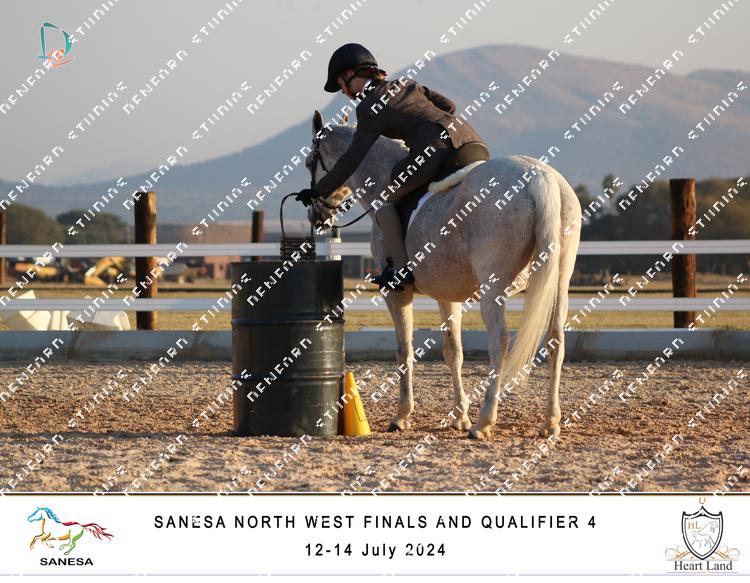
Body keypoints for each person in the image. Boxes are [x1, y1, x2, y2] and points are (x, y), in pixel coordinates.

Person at [295, 43, 488, 290]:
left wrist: (319, 190)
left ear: (352, 74)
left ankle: (401, 270)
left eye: (342, 83)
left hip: (434, 151)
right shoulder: (406, 84)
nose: (343, 91)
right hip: (472, 141)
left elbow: (352, 158)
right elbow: (449, 106)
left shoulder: (368, 108)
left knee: (382, 200)